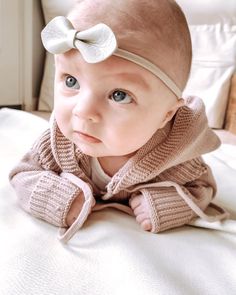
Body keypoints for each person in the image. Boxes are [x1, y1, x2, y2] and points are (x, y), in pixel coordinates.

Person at [9, 0, 228, 243]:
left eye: (119, 95)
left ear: (166, 115)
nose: (83, 111)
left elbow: (202, 188)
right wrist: (57, 198)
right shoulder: (56, 143)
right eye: (71, 81)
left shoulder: (176, 154)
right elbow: (23, 174)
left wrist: (166, 205)